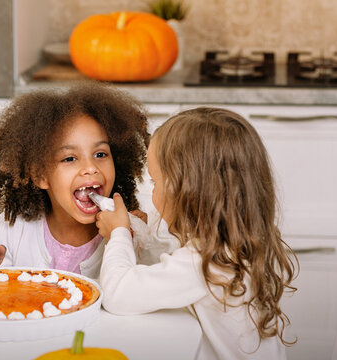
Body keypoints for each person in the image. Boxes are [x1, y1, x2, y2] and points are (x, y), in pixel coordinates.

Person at [96, 107, 298, 359]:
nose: (154, 193)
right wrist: (140, 235)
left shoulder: (207, 261)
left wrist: (119, 234)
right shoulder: (238, 241)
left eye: (156, 182)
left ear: (187, 193)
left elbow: (118, 295)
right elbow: (167, 275)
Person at [0, 81, 149, 279]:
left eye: (100, 154)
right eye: (70, 158)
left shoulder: (126, 233)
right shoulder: (11, 231)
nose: (91, 168)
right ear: (41, 175)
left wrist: (141, 240)